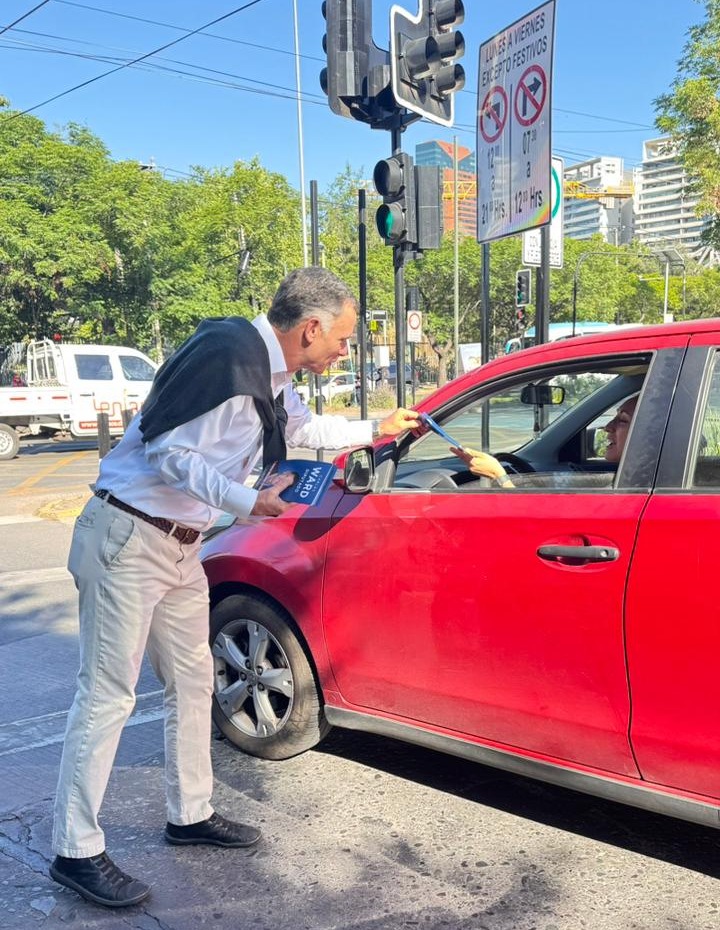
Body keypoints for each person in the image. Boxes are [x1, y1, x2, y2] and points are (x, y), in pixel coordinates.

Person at [50, 267, 420, 908]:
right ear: (310, 328)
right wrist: (247, 501)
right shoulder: (226, 355)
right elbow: (172, 454)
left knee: (195, 683)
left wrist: (380, 425)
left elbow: (305, 431)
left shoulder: (270, 375)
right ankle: (74, 849)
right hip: (128, 536)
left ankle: (189, 813)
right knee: (108, 695)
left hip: (180, 544)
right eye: (343, 338)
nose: (343, 350)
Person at [453, 393, 639, 485]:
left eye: (622, 420)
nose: (607, 427)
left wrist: (499, 477)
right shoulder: (631, 478)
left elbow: (531, 524)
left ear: (647, 431)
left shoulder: (629, 485)